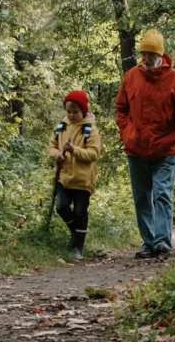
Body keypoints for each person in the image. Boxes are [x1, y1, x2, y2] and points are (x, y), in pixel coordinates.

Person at [115, 29, 175, 259]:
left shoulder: (174, 78)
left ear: (160, 54)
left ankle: (162, 242)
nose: (146, 58)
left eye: (151, 54)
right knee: (142, 197)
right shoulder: (131, 76)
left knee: (161, 194)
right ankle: (148, 243)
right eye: (144, 53)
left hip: (165, 148)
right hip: (136, 147)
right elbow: (121, 108)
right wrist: (126, 132)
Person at [48, 90, 102, 260]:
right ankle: (75, 233)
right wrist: (57, 155)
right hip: (63, 177)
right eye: (68, 111)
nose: (71, 115)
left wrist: (74, 150)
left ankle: (78, 246)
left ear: (83, 111)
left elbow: (94, 154)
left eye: (75, 112)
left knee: (80, 212)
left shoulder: (90, 129)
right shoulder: (60, 127)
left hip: (83, 180)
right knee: (62, 207)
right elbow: (51, 147)